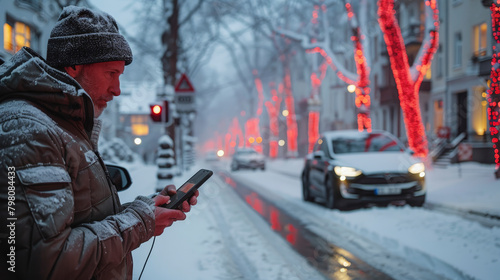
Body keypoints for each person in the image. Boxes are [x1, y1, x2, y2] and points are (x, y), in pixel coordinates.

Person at [0, 6, 197, 280]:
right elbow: (46, 261)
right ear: (74, 65)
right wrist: (140, 221)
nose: (117, 90)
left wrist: (147, 210)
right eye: (111, 73)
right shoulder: (29, 129)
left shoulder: (63, 123)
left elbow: (82, 220)